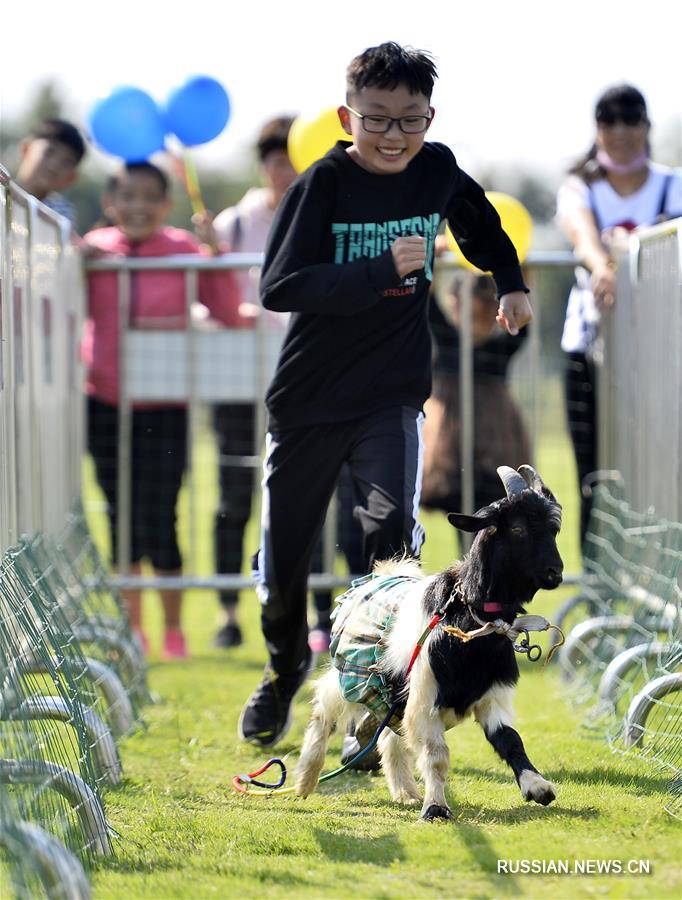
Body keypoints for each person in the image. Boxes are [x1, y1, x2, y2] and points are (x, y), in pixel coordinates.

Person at [238, 41, 533, 749]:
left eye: (411, 120)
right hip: (308, 400)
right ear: (348, 116)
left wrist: (513, 280)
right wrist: (378, 269)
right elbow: (278, 285)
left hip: (392, 395)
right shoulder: (323, 186)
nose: (394, 135)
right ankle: (283, 673)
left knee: (388, 549)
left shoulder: (434, 170)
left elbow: (478, 221)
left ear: (430, 118)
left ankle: (374, 708)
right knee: (284, 566)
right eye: (377, 120)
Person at [211, 117, 363, 653]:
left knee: (318, 498)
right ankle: (231, 610)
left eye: (292, 160)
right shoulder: (232, 223)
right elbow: (216, 294)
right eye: (276, 160)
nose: (285, 171)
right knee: (236, 493)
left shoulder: (329, 212)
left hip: (310, 376)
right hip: (242, 381)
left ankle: (322, 615)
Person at [83, 161, 243, 659]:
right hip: (104, 401)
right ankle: (134, 632)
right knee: (120, 517)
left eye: (149, 197)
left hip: (166, 404)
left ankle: (172, 631)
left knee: (162, 517)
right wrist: (70, 258)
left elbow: (228, 313)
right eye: (127, 196)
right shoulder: (93, 249)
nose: (138, 206)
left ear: (165, 203)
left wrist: (217, 255)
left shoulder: (182, 250)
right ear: (111, 203)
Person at [556, 84, 682, 552]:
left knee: (662, 479)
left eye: (632, 120)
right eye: (609, 121)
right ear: (597, 130)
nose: (622, 131)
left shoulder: (673, 185)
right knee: (595, 479)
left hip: (659, 357)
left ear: (647, 128)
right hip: (590, 354)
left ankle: (658, 588)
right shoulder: (580, 188)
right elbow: (580, 231)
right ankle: (598, 591)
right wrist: (601, 265)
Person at [421, 271, 530, 544]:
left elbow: (430, 305)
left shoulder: (479, 347)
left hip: (484, 444)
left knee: (481, 510)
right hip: (461, 445)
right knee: (467, 507)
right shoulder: (455, 342)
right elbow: (429, 305)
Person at [15, 118, 86, 226]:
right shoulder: (3, 191)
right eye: (49, 152)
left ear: (71, 177)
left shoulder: (61, 214)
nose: (53, 166)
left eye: (67, 162)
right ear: (26, 149)